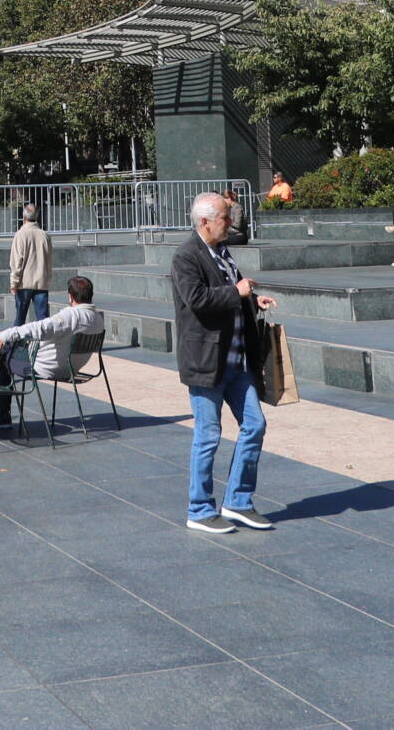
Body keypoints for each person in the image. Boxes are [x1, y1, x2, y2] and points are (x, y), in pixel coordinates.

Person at [171, 190, 275, 535]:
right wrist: (238, 293)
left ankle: (238, 501)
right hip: (206, 361)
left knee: (255, 425)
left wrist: (252, 300)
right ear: (204, 222)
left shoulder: (222, 252)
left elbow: (233, 292)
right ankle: (199, 509)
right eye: (224, 218)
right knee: (208, 436)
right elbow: (197, 300)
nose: (230, 223)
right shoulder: (187, 257)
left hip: (236, 360)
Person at [0, 275, 105, 429]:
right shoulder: (98, 318)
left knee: (7, 355)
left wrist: (4, 336)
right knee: (14, 343)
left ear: (71, 296)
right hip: (73, 368)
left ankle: (3, 413)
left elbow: (39, 328)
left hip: (50, 367)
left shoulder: (70, 316)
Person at [9, 204, 52, 330]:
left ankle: (16, 346)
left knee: (19, 319)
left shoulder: (20, 235)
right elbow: (49, 260)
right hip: (41, 283)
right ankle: (44, 345)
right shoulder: (44, 235)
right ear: (37, 216)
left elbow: (16, 262)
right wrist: (47, 279)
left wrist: (13, 283)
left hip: (24, 283)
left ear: (23, 216)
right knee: (43, 321)